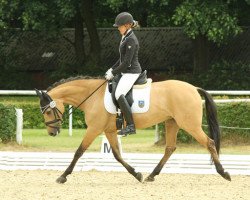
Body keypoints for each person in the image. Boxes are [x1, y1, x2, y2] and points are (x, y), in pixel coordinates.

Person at [105, 12, 142, 136]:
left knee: (119, 93)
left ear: (127, 25)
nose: (118, 28)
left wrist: (114, 72)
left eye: (119, 26)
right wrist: (111, 68)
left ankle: (131, 126)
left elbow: (126, 63)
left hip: (132, 72)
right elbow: (121, 59)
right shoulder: (125, 36)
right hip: (126, 71)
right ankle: (119, 119)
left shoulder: (131, 39)